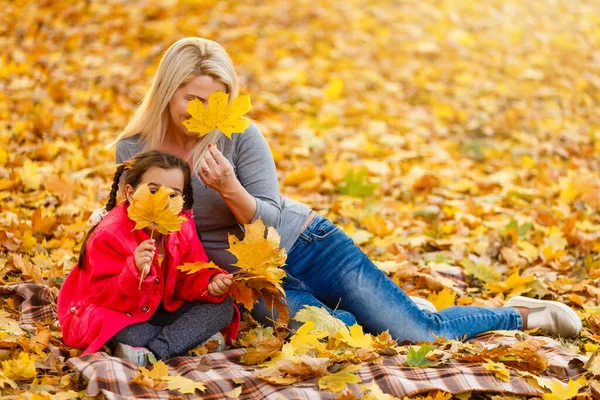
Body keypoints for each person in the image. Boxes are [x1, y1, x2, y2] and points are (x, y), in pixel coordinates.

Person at [111, 37, 582, 342]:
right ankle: (384, 305)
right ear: (167, 90)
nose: (200, 111)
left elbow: (270, 220)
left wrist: (230, 188)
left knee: (417, 335)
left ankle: (518, 316)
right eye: (190, 97)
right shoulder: (134, 149)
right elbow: (130, 228)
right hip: (248, 283)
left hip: (305, 245)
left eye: (214, 100)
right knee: (345, 334)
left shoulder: (238, 135)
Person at [58, 150, 240, 366]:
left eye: (173, 194)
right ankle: (182, 343)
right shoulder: (109, 235)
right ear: (131, 193)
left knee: (223, 307)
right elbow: (103, 296)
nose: (162, 202)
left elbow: (190, 273)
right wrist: (132, 272)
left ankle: (154, 350)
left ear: (182, 198)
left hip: (162, 306)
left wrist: (209, 283)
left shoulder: (180, 225)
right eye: (153, 191)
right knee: (119, 330)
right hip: (119, 310)